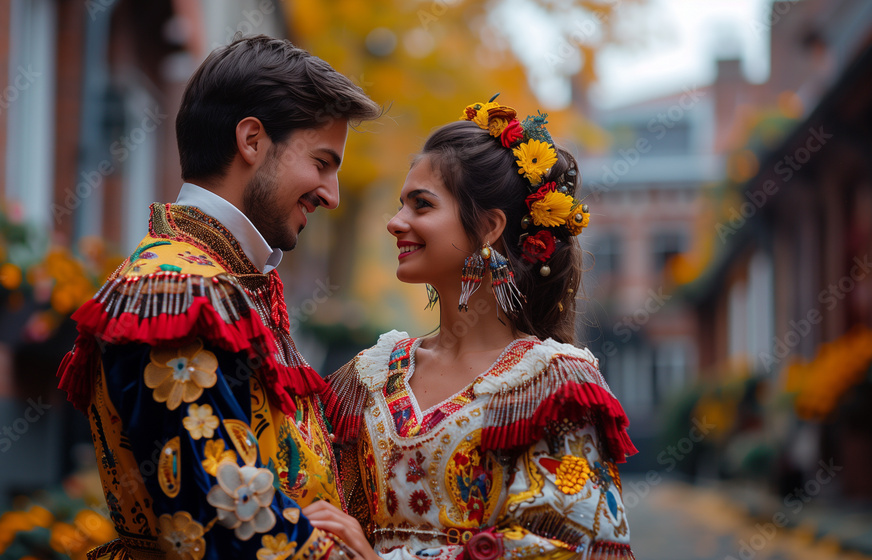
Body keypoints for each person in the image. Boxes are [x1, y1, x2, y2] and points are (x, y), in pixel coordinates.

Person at [56, 35, 380, 560]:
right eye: (322, 162)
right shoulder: (180, 289)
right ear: (252, 140)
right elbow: (228, 524)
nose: (332, 194)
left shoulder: (218, 280)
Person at [313, 98, 639, 560]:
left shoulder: (555, 385)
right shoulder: (368, 376)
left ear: (488, 227)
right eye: (399, 204)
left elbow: (572, 548)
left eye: (420, 205)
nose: (395, 222)